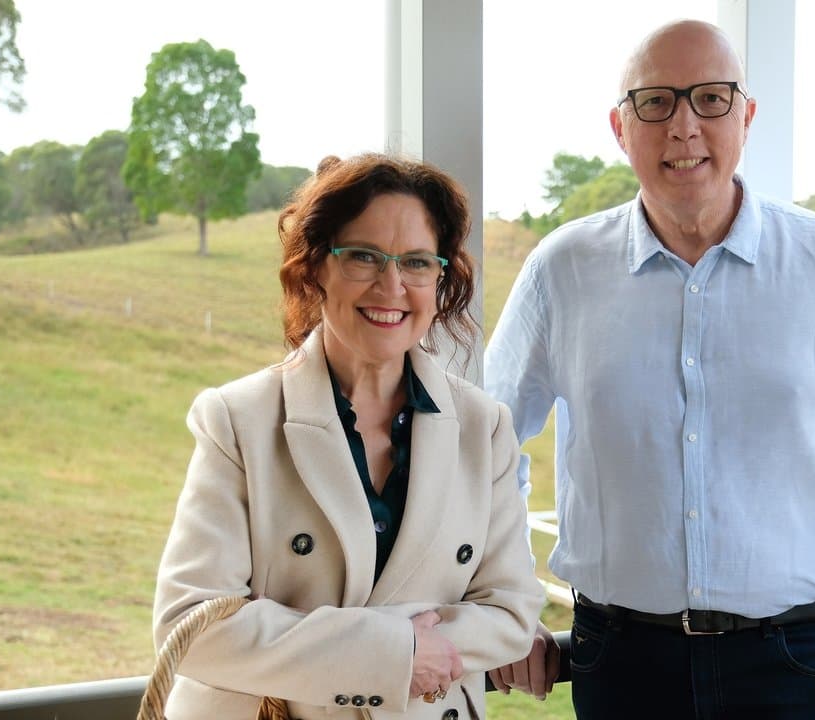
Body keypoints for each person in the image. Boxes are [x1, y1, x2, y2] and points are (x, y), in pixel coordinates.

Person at [485, 19, 815, 720]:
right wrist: (505, 603)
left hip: (791, 665)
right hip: (617, 663)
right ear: (620, 127)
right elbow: (484, 451)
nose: (684, 126)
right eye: (656, 101)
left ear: (745, 116)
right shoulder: (562, 270)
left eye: (711, 99)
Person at [153, 153, 544, 719]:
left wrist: (313, 640)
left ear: (440, 278)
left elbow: (511, 613)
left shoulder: (484, 428)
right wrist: (394, 652)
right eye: (364, 256)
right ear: (316, 266)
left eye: (416, 263)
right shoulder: (236, 420)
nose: (391, 286)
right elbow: (190, 625)